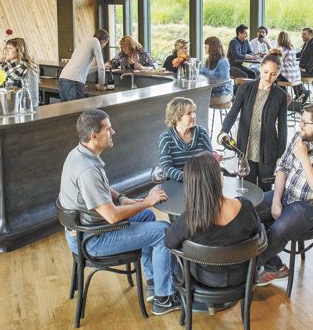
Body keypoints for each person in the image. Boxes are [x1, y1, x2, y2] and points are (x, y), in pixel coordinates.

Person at [58, 109, 180, 315]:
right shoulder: (86, 170)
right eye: (108, 128)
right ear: (94, 136)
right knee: (164, 231)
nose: (113, 131)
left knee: (147, 217)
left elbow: (102, 188)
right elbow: (112, 216)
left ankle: (153, 280)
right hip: (92, 240)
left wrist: (122, 198)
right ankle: (164, 299)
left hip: (89, 228)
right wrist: (147, 201)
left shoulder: (80, 153)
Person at [254, 104, 313, 285]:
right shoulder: (301, 136)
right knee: (246, 212)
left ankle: (243, 271)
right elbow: (283, 168)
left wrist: (304, 158)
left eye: (304, 123)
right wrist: (276, 200)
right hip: (286, 194)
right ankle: (275, 266)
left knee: (278, 229)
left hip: (312, 207)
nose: (300, 126)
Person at [164, 152, 261, 287]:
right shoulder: (245, 206)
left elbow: (169, 243)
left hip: (204, 278)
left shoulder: (188, 219)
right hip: (243, 276)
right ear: (219, 180)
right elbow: (258, 234)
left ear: (191, 185)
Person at [219, 54, 287, 191]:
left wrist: (281, 154)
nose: (268, 78)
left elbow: (282, 126)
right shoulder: (245, 89)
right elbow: (233, 113)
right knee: (246, 187)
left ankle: (263, 213)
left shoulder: (281, 95)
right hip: (245, 147)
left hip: (269, 149)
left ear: (278, 73)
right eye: (266, 72)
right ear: (260, 68)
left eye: (273, 74)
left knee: (265, 188)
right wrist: (223, 132)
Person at [158, 97, 213, 183]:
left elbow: (210, 160)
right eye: (189, 113)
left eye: (194, 112)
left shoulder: (202, 133)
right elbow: (167, 168)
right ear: (177, 117)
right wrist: (188, 178)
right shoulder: (166, 139)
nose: (194, 115)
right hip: (176, 184)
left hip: (200, 183)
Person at [58, 29, 109, 101]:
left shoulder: (83, 42)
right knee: (77, 111)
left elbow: (85, 70)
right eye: (105, 44)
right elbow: (101, 68)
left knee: (67, 111)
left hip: (62, 80)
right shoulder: (95, 41)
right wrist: (101, 84)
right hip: (74, 83)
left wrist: (98, 67)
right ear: (102, 41)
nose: (104, 46)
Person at [199, 36, 233, 106]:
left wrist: (208, 89)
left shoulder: (223, 61)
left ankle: (202, 117)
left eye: (206, 45)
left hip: (223, 94)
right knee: (192, 98)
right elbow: (201, 73)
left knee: (196, 100)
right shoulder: (208, 60)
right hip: (211, 92)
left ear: (212, 47)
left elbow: (223, 83)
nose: (204, 47)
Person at [272, 31, 306, 100]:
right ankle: (299, 92)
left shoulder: (281, 48)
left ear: (279, 39)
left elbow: (278, 60)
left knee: (272, 79)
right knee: (276, 79)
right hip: (295, 73)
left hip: (287, 75)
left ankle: (285, 96)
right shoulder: (292, 47)